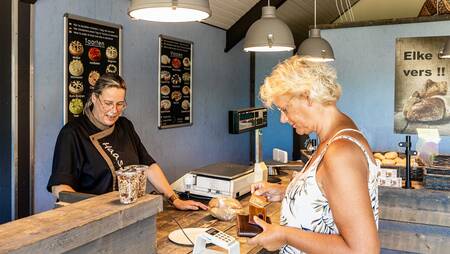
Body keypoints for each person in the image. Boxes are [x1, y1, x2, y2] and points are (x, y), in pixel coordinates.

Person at [248, 56, 380, 253]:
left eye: (285, 109)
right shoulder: (337, 136)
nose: (283, 119)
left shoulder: (340, 153)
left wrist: (285, 235)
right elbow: (330, 193)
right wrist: (287, 192)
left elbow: (363, 250)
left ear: (307, 97)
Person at [47, 73, 207, 211]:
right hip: (94, 217)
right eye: (108, 103)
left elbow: (148, 166)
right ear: (94, 98)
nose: (114, 110)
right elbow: (60, 187)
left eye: (120, 104)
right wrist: (88, 211)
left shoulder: (125, 126)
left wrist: (175, 199)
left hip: (131, 212)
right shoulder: (73, 133)